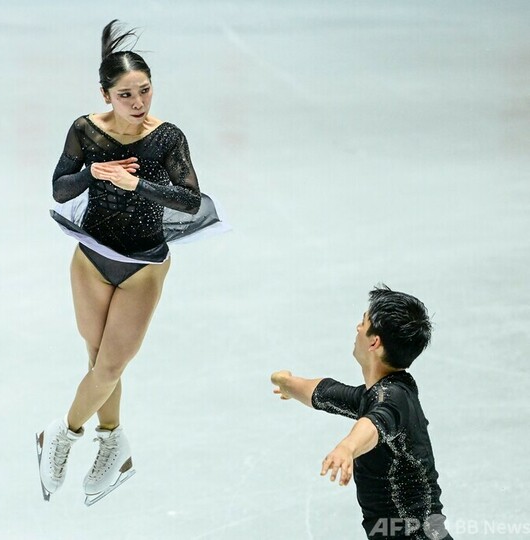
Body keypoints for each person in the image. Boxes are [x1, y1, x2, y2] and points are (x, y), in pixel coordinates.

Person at [36, 20, 226, 506]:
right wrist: (93, 173)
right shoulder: (85, 130)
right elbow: (59, 189)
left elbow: (190, 200)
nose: (138, 102)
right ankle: (113, 442)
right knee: (99, 361)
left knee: (112, 364)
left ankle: (61, 434)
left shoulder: (166, 138)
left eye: (145, 90)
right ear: (106, 95)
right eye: (126, 94)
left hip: (143, 264)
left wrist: (137, 184)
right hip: (92, 257)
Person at [270, 285, 452, 539]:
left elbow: (375, 423)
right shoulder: (388, 391)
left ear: (374, 342)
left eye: (363, 323)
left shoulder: (392, 399)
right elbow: (327, 393)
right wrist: (288, 384)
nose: (357, 328)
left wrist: (347, 447)